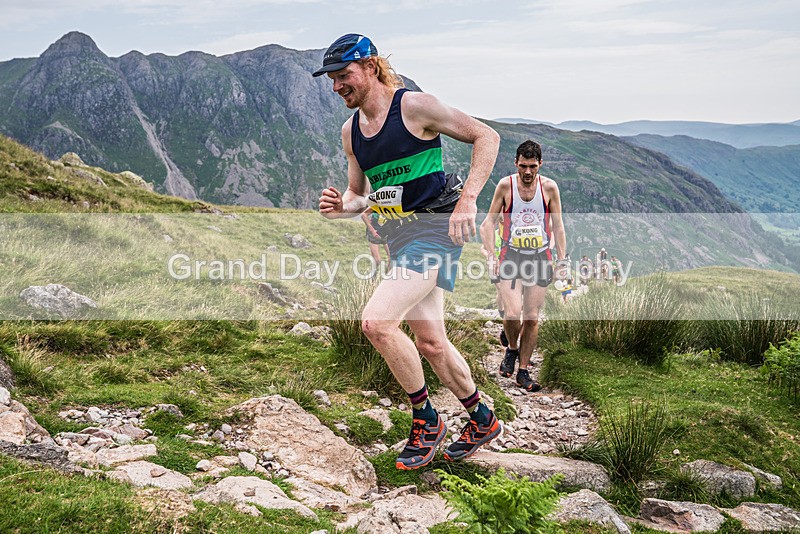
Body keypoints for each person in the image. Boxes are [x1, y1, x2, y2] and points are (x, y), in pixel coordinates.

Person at [316, 33, 502, 470]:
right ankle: (481, 417)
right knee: (432, 343)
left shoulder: (414, 107)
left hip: (434, 230)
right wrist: (342, 207)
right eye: (332, 79)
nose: (337, 86)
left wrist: (469, 199)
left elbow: (486, 137)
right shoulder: (351, 132)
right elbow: (361, 196)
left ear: (371, 67)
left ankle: (425, 419)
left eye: (344, 76)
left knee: (377, 323)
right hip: (400, 239)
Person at [479, 140, 566, 392]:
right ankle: (512, 349)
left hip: (539, 257)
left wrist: (561, 260)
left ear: (540, 165)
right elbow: (487, 224)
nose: (528, 172)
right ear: (516, 163)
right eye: (523, 166)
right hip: (511, 256)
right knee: (511, 312)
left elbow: (558, 226)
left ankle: (524, 371)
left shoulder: (549, 188)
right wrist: (492, 256)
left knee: (531, 317)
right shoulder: (506, 186)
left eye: (533, 167)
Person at [362, 208, 390, 274]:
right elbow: (363, 215)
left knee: (391, 258)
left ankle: (387, 278)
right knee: (377, 260)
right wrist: (372, 230)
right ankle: (373, 280)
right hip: (374, 232)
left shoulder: (392, 203)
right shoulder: (377, 202)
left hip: (387, 232)